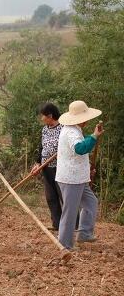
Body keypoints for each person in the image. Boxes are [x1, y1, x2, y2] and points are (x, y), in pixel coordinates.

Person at [55, 100, 103, 250]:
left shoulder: (74, 130)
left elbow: (77, 154)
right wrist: (94, 136)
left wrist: (87, 168)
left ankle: (84, 233)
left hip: (78, 177)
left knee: (91, 202)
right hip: (71, 179)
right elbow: (80, 149)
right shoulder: (71, 132)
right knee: (70, 211)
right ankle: (65, 244)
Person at [30, 103, 64, 231]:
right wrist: (38, 163)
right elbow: (42, 147)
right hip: (46, 167)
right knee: (51, 197)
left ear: (50, 116)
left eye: (43, 116)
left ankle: (72, 224)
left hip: (60, 167)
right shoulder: (45, 129)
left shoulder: (63, 128)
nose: (41, 118)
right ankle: (57, 224)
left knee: (63, 196)